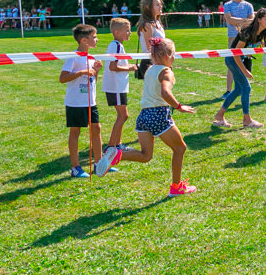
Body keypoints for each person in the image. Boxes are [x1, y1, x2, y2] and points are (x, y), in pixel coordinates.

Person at [95, 37, 197, 197]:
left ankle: (119, 154)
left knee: (145, 155)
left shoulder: (150, 69)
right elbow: (165, 92)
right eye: (173, 54)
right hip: (158, 115)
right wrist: (179, 106)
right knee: (180, 148)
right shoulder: (166, 71)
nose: (174, 57)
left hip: (143, 116)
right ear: (167, 56)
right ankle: (176, 187)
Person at [213, 8, 266, 128]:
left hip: (240, 59)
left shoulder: (261, 33)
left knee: (238, 90)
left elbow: (247, 50)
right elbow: (236, 53)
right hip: (232, 59)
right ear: (259, 20)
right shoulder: (248, 32)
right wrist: (244, 70)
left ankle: (219, 116)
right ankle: (247, 120)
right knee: (246, 87)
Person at [59, 24, 104, 178]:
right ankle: (76, 167)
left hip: (90, 101)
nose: (97, 39)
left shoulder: (91, 57)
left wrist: (96, 71)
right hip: (75, 102)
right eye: (94, 37)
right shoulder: (73, 56)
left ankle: (99, 164)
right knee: (75, 131)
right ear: (84, 40)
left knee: (96, 128)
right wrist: (81, 72)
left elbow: (92, 80)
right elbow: (62, 78)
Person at [102, 18, 138, 159]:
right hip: (115, 87)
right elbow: (113, 66)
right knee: (123, 115)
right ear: (116, 32)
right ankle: (111, 146)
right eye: (127, 30)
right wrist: (131, 67)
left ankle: (117, 144)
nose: (130, 33)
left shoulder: (118, 45)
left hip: (118, 87)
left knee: (122, 115)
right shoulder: (115, 45)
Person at [222, 0, 255, 98]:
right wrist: (245, 20)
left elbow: (252, 20)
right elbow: (229, 20)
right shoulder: (227, 5)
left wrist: (240, 21)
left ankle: (245, 89)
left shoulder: (248, 5)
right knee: (231, 63)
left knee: (246, 62)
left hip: (246, 38)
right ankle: (228, 90)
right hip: (233, 37)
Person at [137, 0, 166, 66]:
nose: (160, 6)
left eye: (160, 4)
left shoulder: (157, 22)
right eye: (157, 5)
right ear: (147, 7)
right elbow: (149, 48)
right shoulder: (147, 25)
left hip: (159, 61)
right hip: (151, 63)